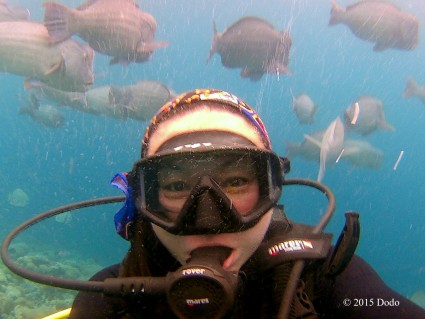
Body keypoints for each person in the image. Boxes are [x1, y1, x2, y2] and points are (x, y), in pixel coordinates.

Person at [69, 89, 425, 319]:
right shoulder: (110, 299)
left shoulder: (326, 278)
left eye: (236, 182)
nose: (209, 220)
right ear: (142, 200)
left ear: (271, 190)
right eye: (177, 186)